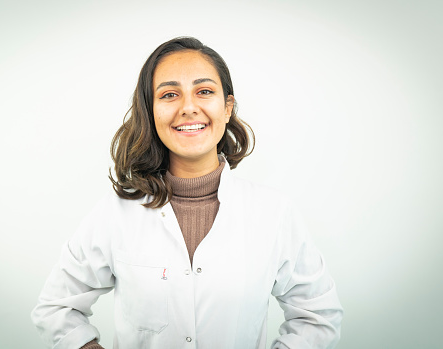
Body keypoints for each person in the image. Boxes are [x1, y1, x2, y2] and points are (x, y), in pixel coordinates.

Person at [31, 36, 343, 349]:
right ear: (151, 112)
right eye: (169, 94)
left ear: (227, 108)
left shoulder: (273, 212)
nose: (189, 107)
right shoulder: (115, 213)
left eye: (204, 91)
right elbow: (56, 308)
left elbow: (318, 316)